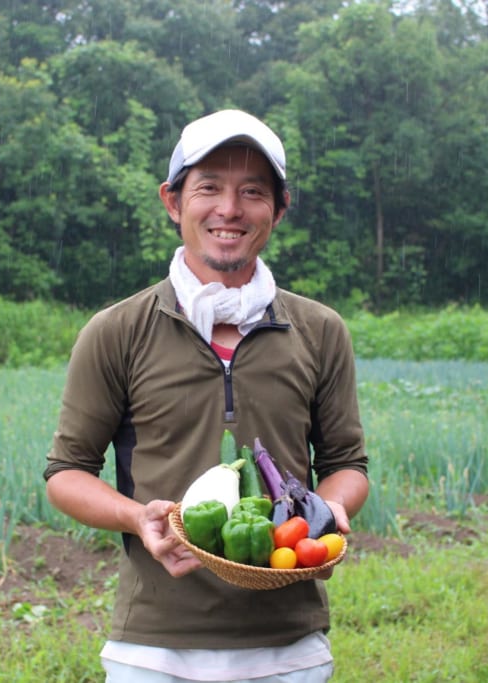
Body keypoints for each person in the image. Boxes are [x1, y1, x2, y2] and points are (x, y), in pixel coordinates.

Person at [43, 109, 371, 683]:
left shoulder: (320, 331)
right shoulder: (117, 331)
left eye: (252, 192)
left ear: (279, 209)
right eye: (209, 188)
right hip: (153, 651)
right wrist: (136, 517)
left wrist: (329, 509)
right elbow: (66, 473)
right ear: (173, 202)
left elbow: (347, 464)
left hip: (290, 648)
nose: (229, 209)